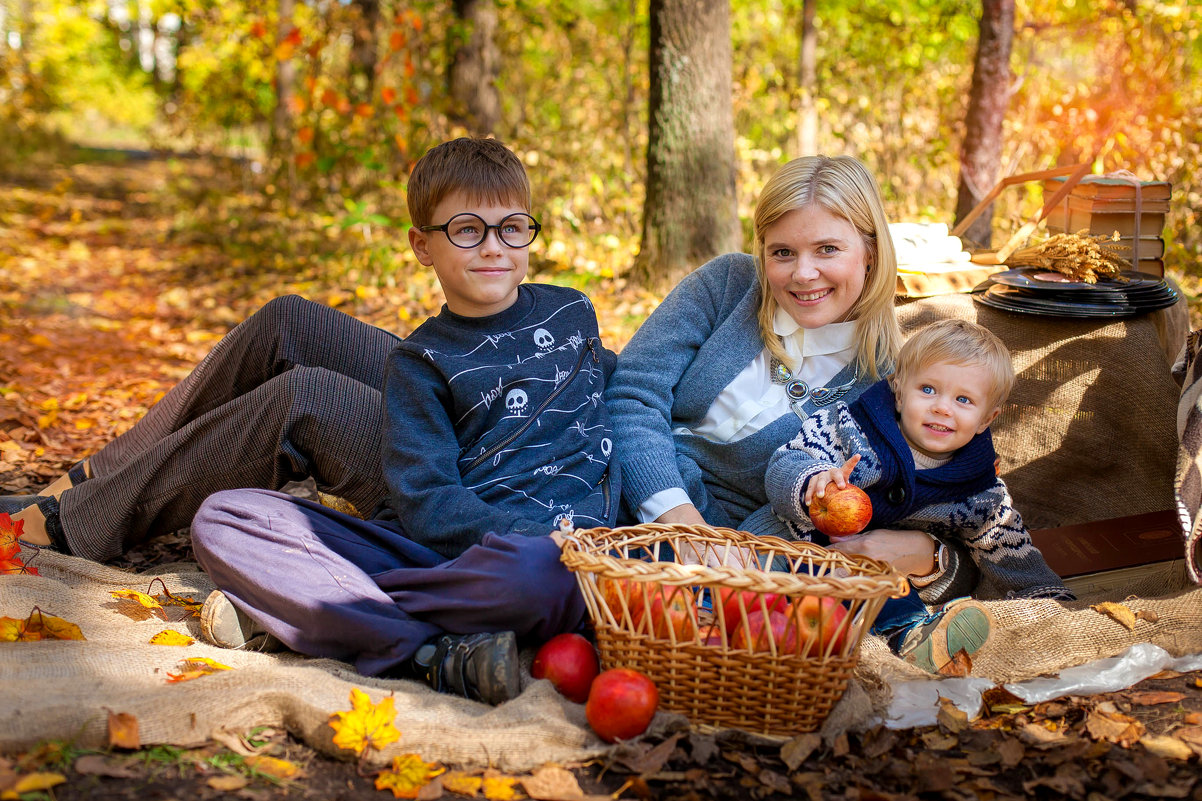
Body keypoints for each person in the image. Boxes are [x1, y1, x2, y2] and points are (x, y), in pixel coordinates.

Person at [6, 138, 614, 705]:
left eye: (511, 229)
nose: (492, 245)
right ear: (422, 245)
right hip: (463, 517)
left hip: (537, 556)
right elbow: (630, 389)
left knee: (306, 397)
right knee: (281, 340)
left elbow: (616, 404)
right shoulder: (425, 358)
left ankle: (332, 612)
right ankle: (84, 488)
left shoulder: (569, 311)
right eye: (467, 230)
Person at [605, 154, 998, 672]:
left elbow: (957, 510)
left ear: (871, 253)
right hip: (626, 499)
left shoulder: (892, 385)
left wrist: (926, 556)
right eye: (782, 252)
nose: (803, 273)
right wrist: (680, 523)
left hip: (752, 561)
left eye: (828, 249)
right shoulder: (727, 287)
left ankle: (912, 635)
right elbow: (632, 395)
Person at [765, 319, 1073, 670]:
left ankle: (915, 640)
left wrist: (1048, 597)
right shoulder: (848, 429)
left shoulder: (979, 491)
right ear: (898, 391)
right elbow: (784, 462)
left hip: (869, 577)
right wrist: (812, 479)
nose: (943, 407)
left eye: (963, 399)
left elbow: (1006, 544)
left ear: (987, 418)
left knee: (890, 588)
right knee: (748, 576)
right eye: (928, 389)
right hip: (791, 544)